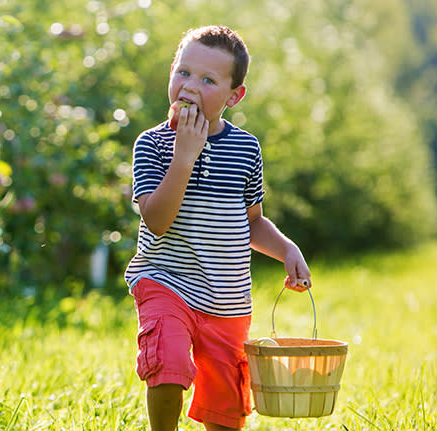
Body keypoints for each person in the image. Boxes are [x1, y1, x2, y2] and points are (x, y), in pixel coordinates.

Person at [123, 25, 312, 431]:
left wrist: (287, 249)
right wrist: (184, 156)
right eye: (184, 73)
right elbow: (156, 221)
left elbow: (253, 222)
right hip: (164, 280)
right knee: (168, 363)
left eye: (208, 80)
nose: (190, 86)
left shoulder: (245, 149)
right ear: (171, 73)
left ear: (233, 96)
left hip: (226, 297)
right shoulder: (151, 144)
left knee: (227, 407)